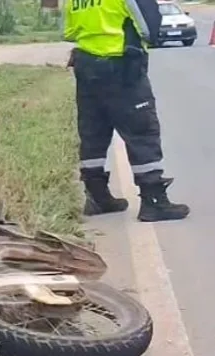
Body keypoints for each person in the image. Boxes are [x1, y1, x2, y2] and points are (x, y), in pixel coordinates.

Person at [64, 0, 189, 222]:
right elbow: (150, 30)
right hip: (121, 67)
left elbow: (70, 32)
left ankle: (97, 197)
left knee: (93, 132)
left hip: (86, 66)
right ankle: (153, 201)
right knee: (142, 132)